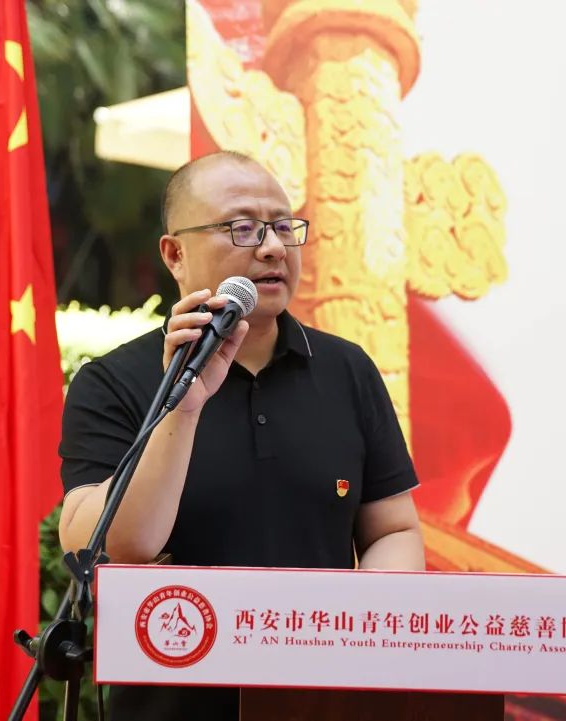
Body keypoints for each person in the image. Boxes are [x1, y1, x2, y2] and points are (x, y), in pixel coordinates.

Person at [57, 150, 425, 719]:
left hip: (319, 704)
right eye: (243, 228)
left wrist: (352, 637)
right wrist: (183, 404)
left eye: (283, 227)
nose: (273, 247)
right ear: (175, 254)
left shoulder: (347, 370)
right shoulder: (113, 382)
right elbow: (113, 545)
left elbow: (394, 529)